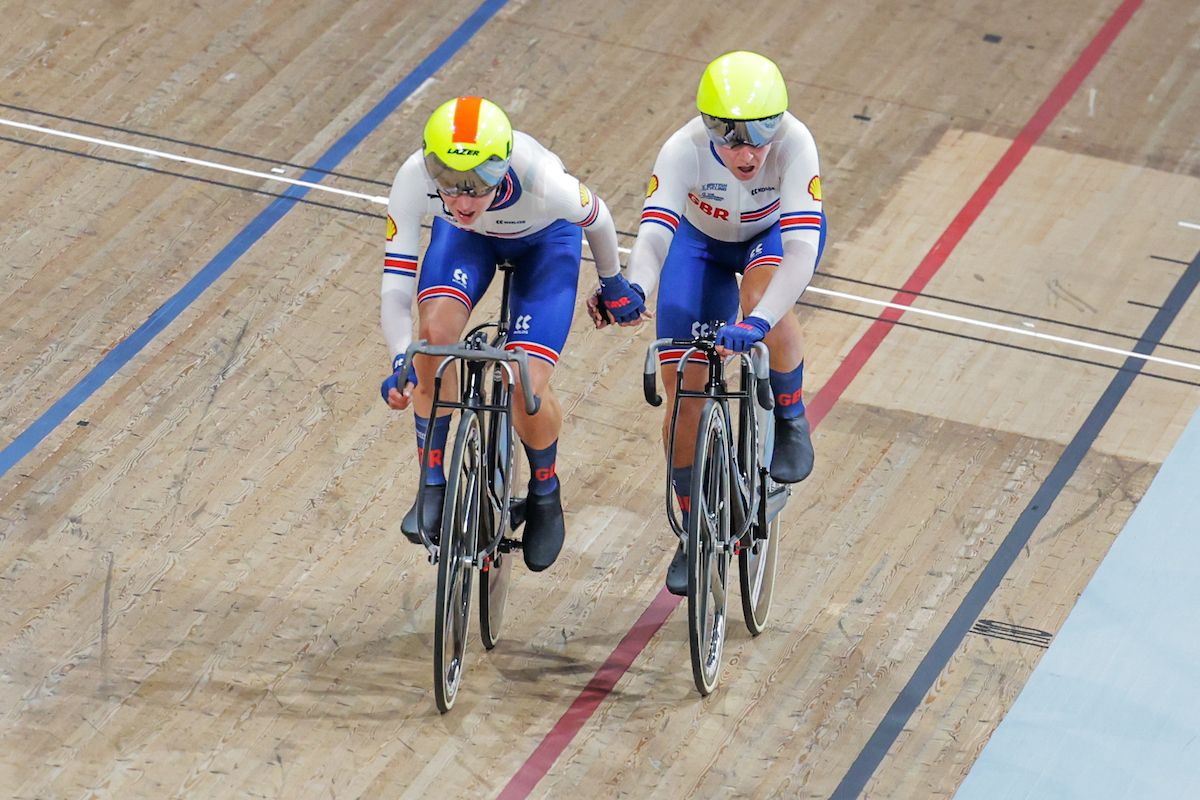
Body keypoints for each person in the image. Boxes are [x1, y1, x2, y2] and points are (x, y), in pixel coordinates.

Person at [591, 51, 825, 595]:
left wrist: (759, 321)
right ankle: (695, 526)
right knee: (684, 398)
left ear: (778, 124)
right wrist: (636, 289)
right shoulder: (683, 149)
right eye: (731, 140)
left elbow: (801, 254)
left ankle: (790, 415)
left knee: (763, 291)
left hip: (770, 243)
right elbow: (654, 236)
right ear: (708, 127)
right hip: (697, 247)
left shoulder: (796, 144)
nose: (746, 154)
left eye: (756, 139)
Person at [380, 96, 637, 572]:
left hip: (545, 243)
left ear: (502, 167)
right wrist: (400, 358)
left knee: (523, 383)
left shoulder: (540, 175)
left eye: (477, 186)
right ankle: (432, 480)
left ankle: (544, 490)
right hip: (465, 242)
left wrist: (612, 282)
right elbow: (396, 280)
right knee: (431, 341)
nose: (461, 201)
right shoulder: (414, 176)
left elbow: (597, 219)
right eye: (451, 185)